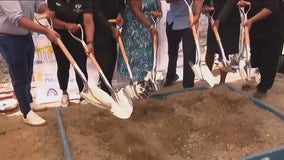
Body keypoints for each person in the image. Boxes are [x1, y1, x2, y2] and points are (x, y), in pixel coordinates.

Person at [0, 0, 60, 126]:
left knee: (28, 71)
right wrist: (46, 31)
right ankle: (26, 113)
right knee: (19, 75)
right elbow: (18, 19)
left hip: (25, 35)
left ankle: (28, 101)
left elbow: (38, 5)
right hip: (9, 37)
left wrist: (46, 10)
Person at [47, 0, 94, 107]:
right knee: (62, 65)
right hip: (59, 36)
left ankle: (84, 94)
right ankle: (64, 93)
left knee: (80, 66)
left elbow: (88, 21)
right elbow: (51, 20)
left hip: (78, 36)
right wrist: (65, 25)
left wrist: (90, 42)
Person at [239, 0, 284, 98]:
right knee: (255, 55)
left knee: (268, 58)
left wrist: (251, 20)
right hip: (256, 27)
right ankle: (254, 80)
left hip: (272, 28)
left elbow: (271, 8)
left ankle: (263, 87)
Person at [117, 0, 160, 82]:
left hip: (148, 32)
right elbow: (136, 9)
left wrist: (158, 10)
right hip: (136, 33)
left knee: (147, 64)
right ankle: (138, 88)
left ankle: (146, 86)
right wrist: (150, 27)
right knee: (137, 65)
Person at [164, 0, 203, 88]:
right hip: (173, 20)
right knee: (172, 52)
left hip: (189, 19)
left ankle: (188, 84)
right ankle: (171, 75)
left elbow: (198, 1)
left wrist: (197, 15)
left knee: (189, 53)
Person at [90, 0, 124, 95]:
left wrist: (120, 13)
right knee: (104, 65)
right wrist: (111, 28)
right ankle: (105, 91)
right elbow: (96, 12)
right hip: (99, 30)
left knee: (111, 61)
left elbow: (121, 3)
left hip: (112, 30)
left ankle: (107, 89)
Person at [203, 0, 240, 84]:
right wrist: (205, 7)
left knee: (224, 52)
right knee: (210, 51)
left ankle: (222, 82)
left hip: (229, 22)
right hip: (213, 19)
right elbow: (207, 2)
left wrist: (219, 19)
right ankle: (207, 78)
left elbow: (230, 3)